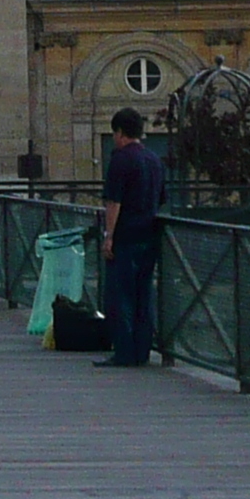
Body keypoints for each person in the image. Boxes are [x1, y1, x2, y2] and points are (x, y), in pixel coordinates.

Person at [96, 107, 165, 371]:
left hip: (125, 235)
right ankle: (143, 350)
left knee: (121, 295)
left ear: (120, 132)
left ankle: (124, 352)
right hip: (149, 233)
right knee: (144, 294)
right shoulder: (154, 159)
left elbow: (114, 201)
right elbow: (160, 198)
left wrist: (108, 236)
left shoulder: (120, 160)